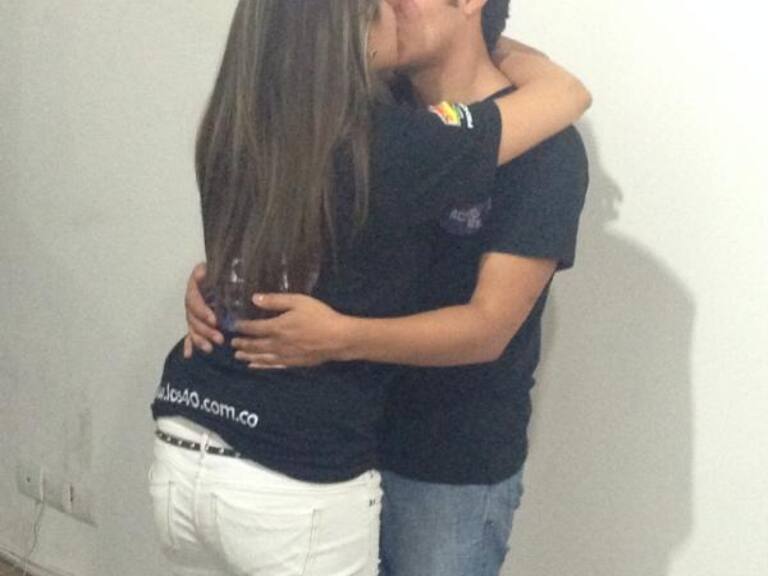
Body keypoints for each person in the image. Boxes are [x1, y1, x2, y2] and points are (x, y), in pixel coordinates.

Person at [152, 0, 591, 575]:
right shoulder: (364, 113)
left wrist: (339, 336)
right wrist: (224, 286)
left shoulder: (544, 148)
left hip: (444, 460)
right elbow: (287, 231)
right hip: (319, 447)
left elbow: (489, 327)